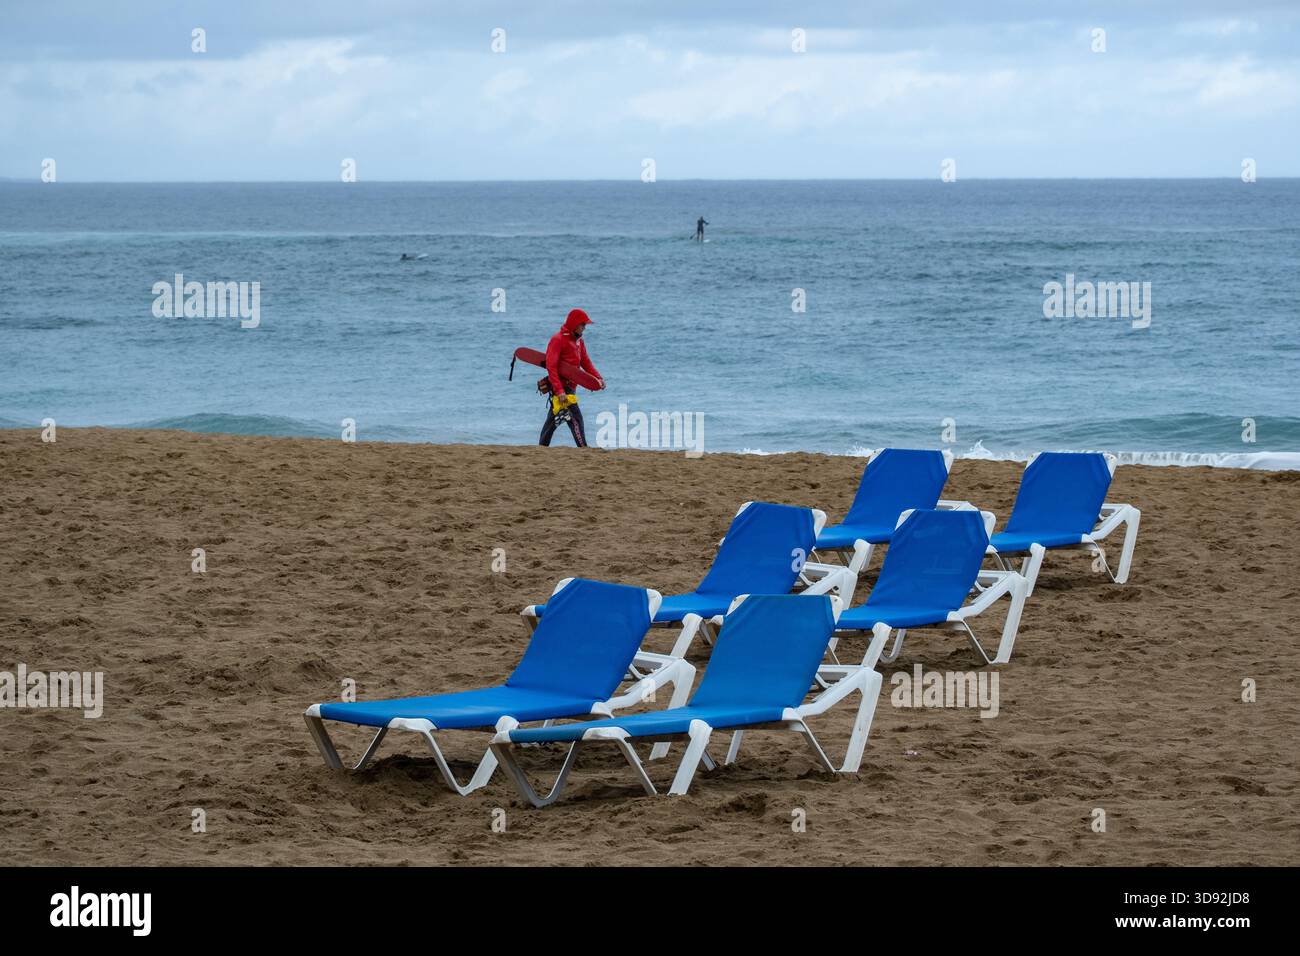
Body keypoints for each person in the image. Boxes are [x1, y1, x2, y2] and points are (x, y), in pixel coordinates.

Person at [539, 308, 603, 447]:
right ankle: (583, 448)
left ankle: (541, 449)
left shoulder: (579, 342)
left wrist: (598, 378)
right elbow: (551, 367)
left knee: (552, 421)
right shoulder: (558, 340)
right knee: (576, 418)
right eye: (583, 325)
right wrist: (560, 391)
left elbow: (586, 363)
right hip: (562, 390)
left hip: (571, 388)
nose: (585, 328)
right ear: (575, 324)